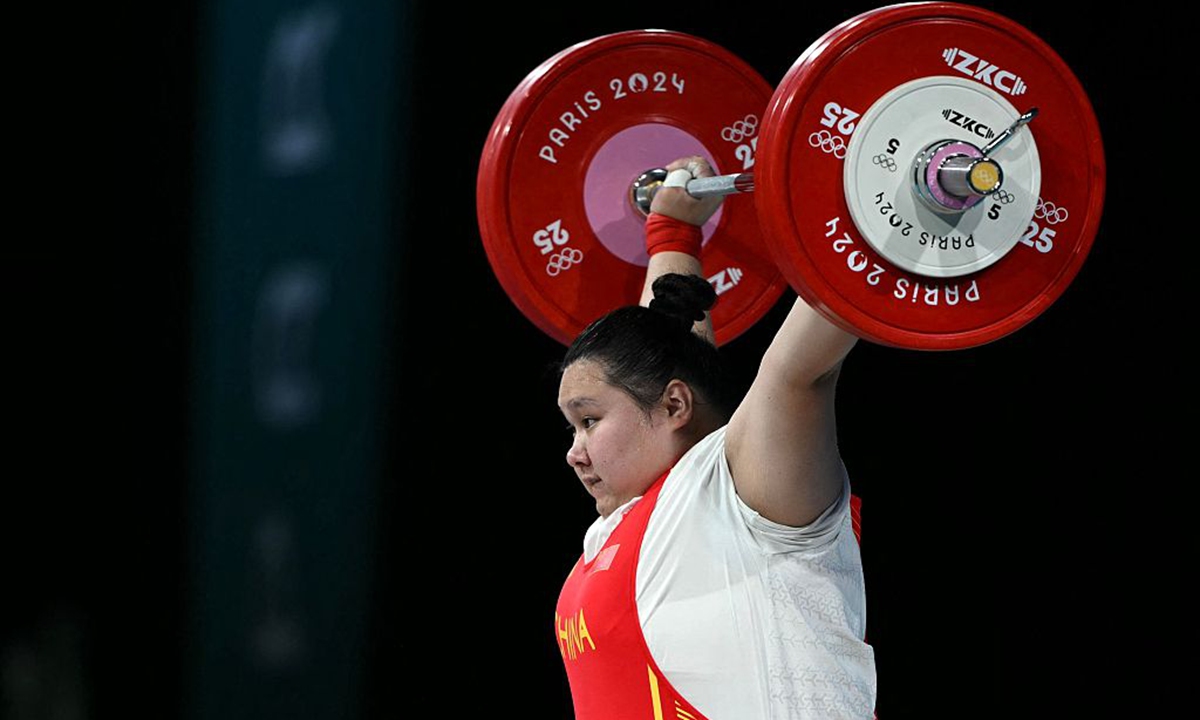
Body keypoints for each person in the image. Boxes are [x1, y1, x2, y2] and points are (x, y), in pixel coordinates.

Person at [554, 156, 876, 719]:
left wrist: (884, 209)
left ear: (675, 405)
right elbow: (670, 340)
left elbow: (800, 369)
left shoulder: (744, 495)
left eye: (589, 420)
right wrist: (672, 232)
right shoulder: (624, 528)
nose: (573, 452)